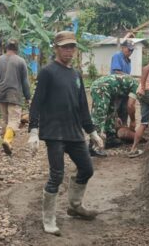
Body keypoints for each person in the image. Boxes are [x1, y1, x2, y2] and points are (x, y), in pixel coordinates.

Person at [27, 31, 104, 236]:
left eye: (72, 47)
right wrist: (33, 131)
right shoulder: (47, 72)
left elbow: (82, 107)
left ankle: (75, 206)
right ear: (56, 48)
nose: (69, 51)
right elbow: (36, 102)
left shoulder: (76, 74)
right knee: (56, 175)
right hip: (54, 133)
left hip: (74, 132)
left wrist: (92, 132)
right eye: (65, 47)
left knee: (87, 169)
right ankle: (49, 219)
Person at [0, 39, 31, 156]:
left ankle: (8, 144)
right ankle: (7, 140)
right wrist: (28, 96)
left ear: (6, 48)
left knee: (6, 120)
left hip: (1, 94)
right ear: (17, 49)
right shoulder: (21, 61)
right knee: (14, 120)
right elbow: (25, 81)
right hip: (15, 95)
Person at [90, 74, 138, 155]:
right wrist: (133, 121)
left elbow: (116, 100)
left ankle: (110, 138)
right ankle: (94, 146)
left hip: (108, 89)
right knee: (100, 114)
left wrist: (116, 116)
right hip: (101, 87)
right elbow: (130, 105)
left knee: (110, 110)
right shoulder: (136, 86)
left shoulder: (130, 83)